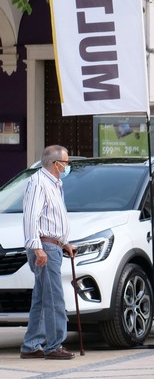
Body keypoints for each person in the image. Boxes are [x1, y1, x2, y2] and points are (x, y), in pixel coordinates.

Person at [21, 145, 76, 360]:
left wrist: (64, 242)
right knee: (54, 298)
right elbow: (31, 217)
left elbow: (51, 219)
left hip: (53, 245)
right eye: (66, 162)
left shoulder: (55, 184)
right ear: (56, 164)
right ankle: (54, 345)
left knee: (42, 298)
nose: (68, 165)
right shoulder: (38, 182)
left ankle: (31, 344)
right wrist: (37, 247)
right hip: (44, 247)